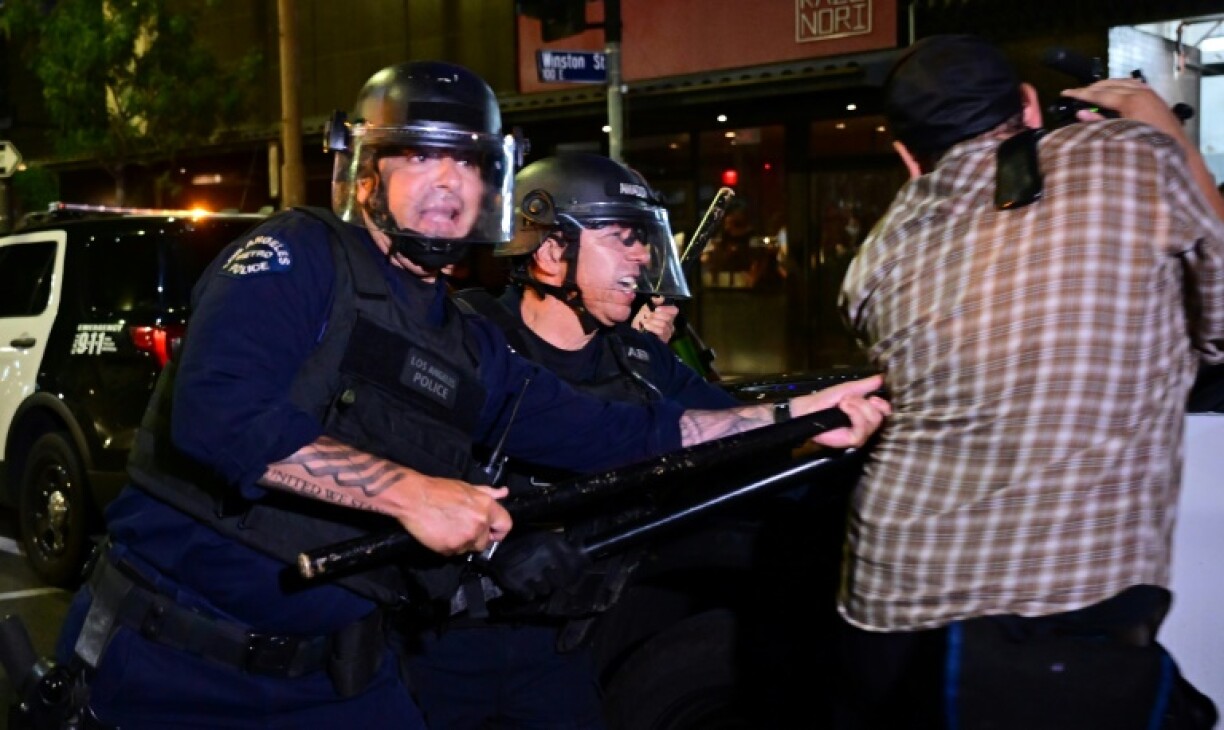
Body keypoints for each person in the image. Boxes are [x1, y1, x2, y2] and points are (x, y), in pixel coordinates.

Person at [50, 61, 886, 729]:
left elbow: (628, 433)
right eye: (417, 155)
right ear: (367, 174)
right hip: (169, 668)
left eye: (467, 160)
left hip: (337, 681)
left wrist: (792, 423)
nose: (445, 180)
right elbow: (221, 415)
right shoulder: (300, 255)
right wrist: (412, 494)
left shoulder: (468, 338)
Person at [836, 35, 1224, 729]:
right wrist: (1166, 132)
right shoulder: (1135, 157)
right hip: (1064, 607)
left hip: (891, 601)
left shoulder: (878, 255)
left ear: (905, 157)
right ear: (1027, 105)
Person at [402, 152, 757, 729]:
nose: (641, 255)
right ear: (549, 252)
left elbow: (735, 428)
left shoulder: (640, 359)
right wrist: (493, 548)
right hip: (440, 647)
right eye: (622, 237)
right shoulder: (466, 343)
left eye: (644, 239)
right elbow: (395, 462)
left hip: (562, 649)